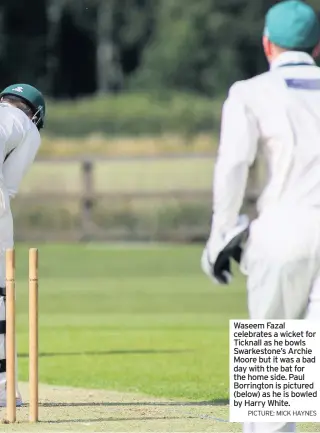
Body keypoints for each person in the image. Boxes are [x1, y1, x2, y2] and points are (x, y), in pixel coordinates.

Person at [201, 1, 320, 432]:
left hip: (282, 232)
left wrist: (220, 235)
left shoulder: (250, 92)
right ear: (317, 47)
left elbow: (233, 165)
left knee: (273, 390)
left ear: (267, 43)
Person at [0, 83, 45, 406]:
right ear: (35, 112)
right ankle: (3, 387)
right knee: (1, 295)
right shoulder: (27, 126)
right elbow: (10, 186)